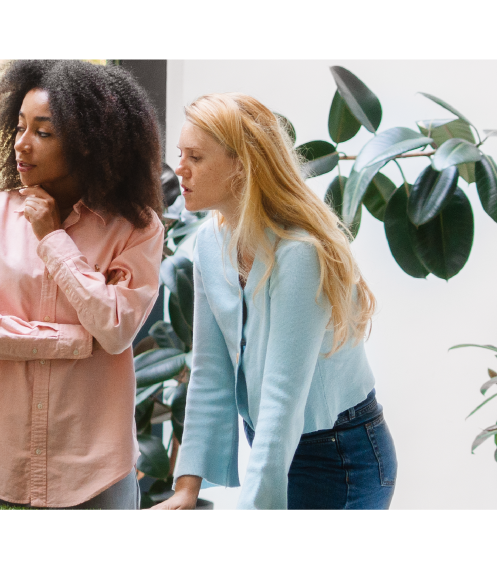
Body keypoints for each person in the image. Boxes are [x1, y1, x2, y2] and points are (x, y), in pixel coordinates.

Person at [151, 93, 394, 510]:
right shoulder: (210, 240)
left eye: (196, 157)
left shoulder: (299, 254)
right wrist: (187, 489)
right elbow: (211, 370)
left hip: (338, 456)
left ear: (240, 167)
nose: (181, 171)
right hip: (277, 445)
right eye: (180, 155)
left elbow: (282, 398)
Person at [0, 59, 165, 509]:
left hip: (95, 473)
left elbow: (115, 329)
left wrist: (52, 238)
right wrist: (71, 340)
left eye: (43, 133)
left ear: (89, 144)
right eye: (20, 127)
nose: (21, 145)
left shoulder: (136, 229)